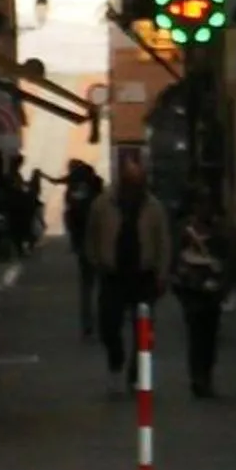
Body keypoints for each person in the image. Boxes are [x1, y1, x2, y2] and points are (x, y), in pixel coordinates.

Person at [85, 149, 171, 388]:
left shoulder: (153, 208)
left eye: (138, 184)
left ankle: (136, 369)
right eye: (130, 184)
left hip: (143, 275)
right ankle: (116, 354)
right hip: (113, 273)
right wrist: (95, 260)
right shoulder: (103, 204)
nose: (134, 190)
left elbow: (163, 242)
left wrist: (162, 274)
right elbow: (91, 234)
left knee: (143, 327)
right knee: (108, 323)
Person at [171, 195, 227, 398]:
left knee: (210, 336)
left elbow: (225, 257)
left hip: (212, 291)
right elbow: (176, 258)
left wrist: (223, 285)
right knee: (196, 335)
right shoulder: (185, 232)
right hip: (192, 290)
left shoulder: (218, 232)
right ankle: (198, 377)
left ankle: (206, 375)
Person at [62, 161, 101, 338]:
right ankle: (100, 320)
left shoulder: (75, 196)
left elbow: (70, 220)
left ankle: (87, 323)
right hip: (99, 246)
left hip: (84, 245)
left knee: (86, 286)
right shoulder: (98, 196)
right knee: (100, 285)